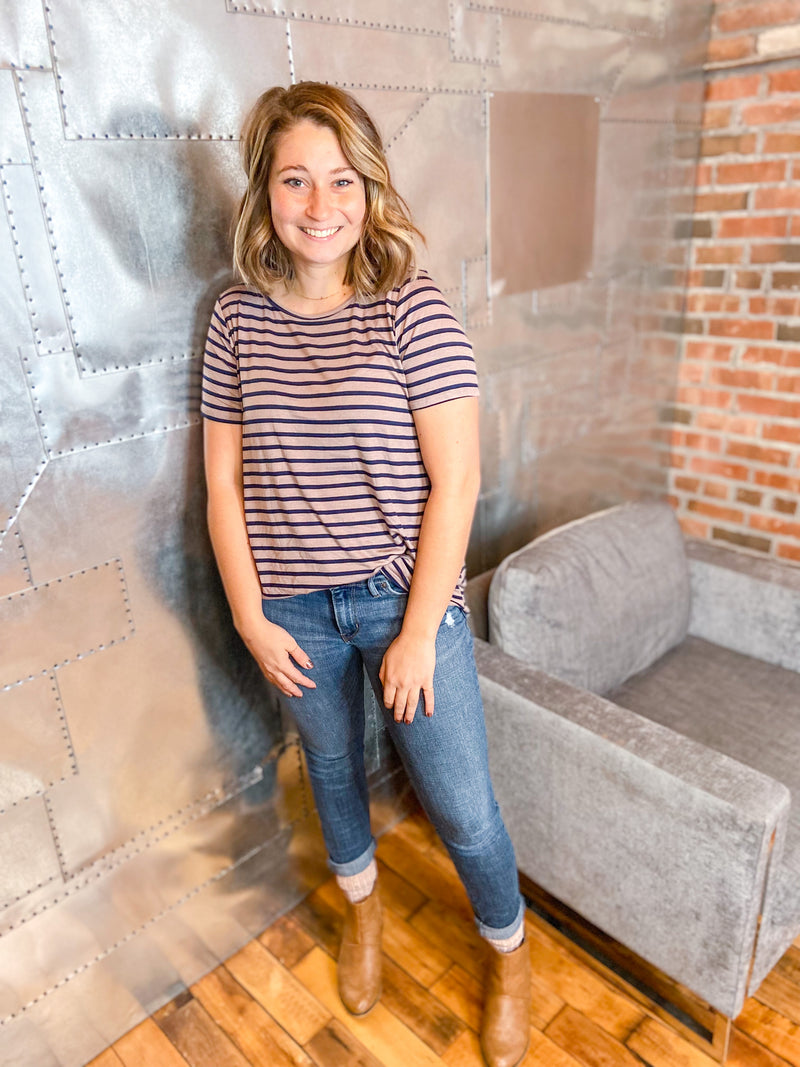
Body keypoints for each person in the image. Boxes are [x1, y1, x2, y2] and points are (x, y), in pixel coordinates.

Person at [201, 81, 531, 1067]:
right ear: (264, 192)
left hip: (403, 600)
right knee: (335, 774)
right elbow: (222, 483)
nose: (319, 204)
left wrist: (421, 628)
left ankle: (510, 954)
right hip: (292, 609)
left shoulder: (410, 309)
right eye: (294, 179)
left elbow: (457, 480)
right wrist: (250, 616)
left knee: (461, 805)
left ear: (370, 188)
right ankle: (365, 913)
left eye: (341, 179)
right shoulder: (234, 320)